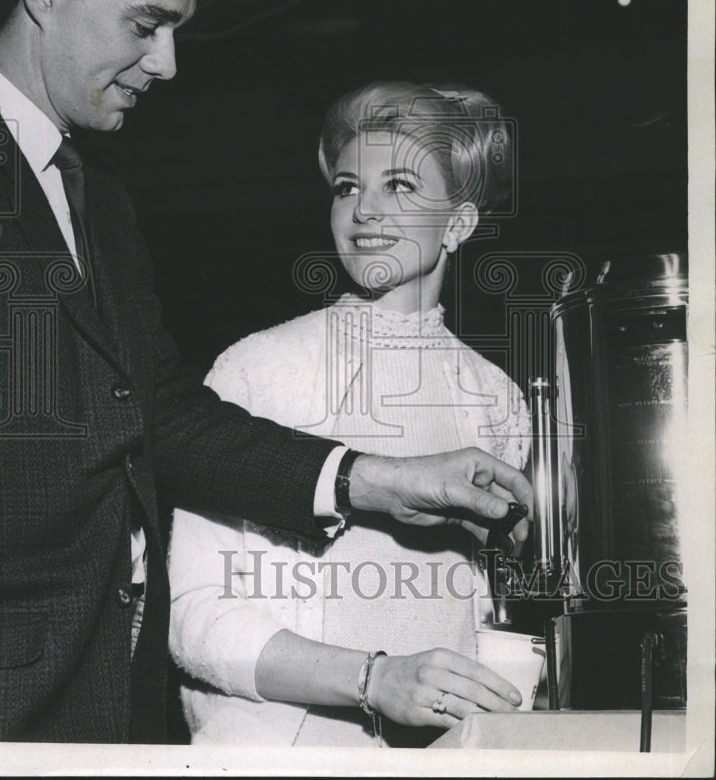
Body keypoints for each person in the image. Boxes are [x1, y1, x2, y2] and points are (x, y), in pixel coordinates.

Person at [0, 0, 532, 744]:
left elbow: (158, 417)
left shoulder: (96, 199)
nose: (170, 62)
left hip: (82, 695)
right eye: (147, 24)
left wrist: (374, 480)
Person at [168, 81, 532, 747]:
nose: (363, 210)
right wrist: (376, 680)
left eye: (397, 185)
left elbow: (480, 613)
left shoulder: (496, 399)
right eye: (345, 186)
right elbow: (195, 620)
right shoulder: (257, 370)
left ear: (459, 223)